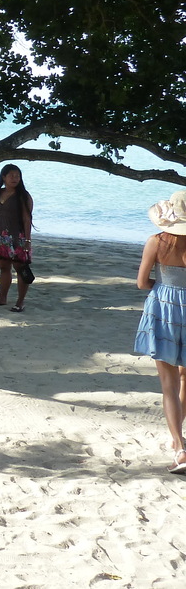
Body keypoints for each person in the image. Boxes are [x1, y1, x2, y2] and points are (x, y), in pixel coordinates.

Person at [134, 190, 186, 475]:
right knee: (185, 376)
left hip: (164, 311)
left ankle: (179, 446)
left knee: (168, 384)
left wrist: (166, 286)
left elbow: (142, 282)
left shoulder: (157, 241)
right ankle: (178, 434)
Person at [0, 163, 34, 312]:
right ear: (3, 177)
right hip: (0, 237)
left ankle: (20, 302)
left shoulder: (23, 196)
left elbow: (27, 219)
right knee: (4, 267)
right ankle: (2, 298)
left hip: (17, 237)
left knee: (21, 269)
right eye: (11, 175)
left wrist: (27, 240)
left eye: (17, 176)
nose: (15, 178)